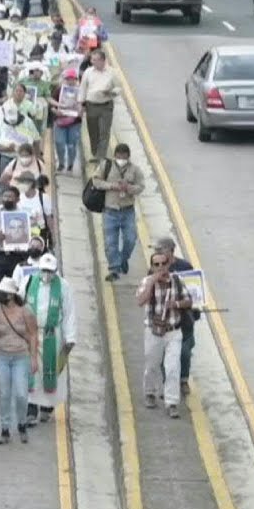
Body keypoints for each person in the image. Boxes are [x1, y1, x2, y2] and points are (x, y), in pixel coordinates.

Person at [21, 253, 76, 426]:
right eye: (44, 270)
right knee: (31, 371)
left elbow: (69, 312)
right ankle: (31, 409)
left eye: (50, 271)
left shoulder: (63, 287)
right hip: (32, 334)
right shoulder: (29, 282)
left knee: (50, 371)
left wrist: (70, 337)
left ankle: (46, 408)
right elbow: (18, 302)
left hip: (52, 335)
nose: (46, 274)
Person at [138, 249, 194, 417]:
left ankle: (171, 402)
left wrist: (175, 304)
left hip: (173, 332)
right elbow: (140, 301)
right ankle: (150, 391)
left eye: (164, 264)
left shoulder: (176, 281)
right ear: (152, 266)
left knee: (172, 367)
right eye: (157, 265)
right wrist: (151, 282)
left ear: (169, 264)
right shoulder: (147, 282)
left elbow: (189, 300)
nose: (161, 267)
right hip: (153, 332)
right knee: (152, 365)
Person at [0, 275, 39, 444]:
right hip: (0, 355)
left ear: (10, 295)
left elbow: (33, 334)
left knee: (20, 393)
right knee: (4, 394)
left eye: (3, 292)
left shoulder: (26, 311)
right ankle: (5, 428)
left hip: (20, 356)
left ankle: (22, 424)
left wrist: (33, 358)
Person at [152, 236, 197, 396]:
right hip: (164, 321)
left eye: (160, 250)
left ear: (171, 251)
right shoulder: (155, 269)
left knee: (184, 351)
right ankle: (168, 384)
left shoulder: (185, 267)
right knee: (166, 354)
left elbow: (194, 294)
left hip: (184, 319)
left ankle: (183, 379)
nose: (157, 255)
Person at [93, 143, 145, 281]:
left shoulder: (135, 170)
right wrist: (112, 186)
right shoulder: (106, 166)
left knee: (130, 239)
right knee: (110, 243)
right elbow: (96, 181)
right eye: (119, 156)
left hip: (127, 211)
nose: (121, 158)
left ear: (128, 156)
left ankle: (123, 259)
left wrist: (128, 188)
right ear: (115, 155)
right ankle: (114, 269)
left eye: (124, 156)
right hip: (110, 210)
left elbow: (141, 187)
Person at [79, 50, 121, 165]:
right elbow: (83, 88)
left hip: (106, 106)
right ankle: (95, 152)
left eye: (96, 60)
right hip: (91, 105)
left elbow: (118, 88)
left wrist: (111, 93)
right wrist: (81, 105)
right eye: (92, 60)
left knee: (104, 132)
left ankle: (101, 155)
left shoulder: (112, 72)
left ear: (103, 60)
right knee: (93, 132)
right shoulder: (88, 72)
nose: (93, 62)